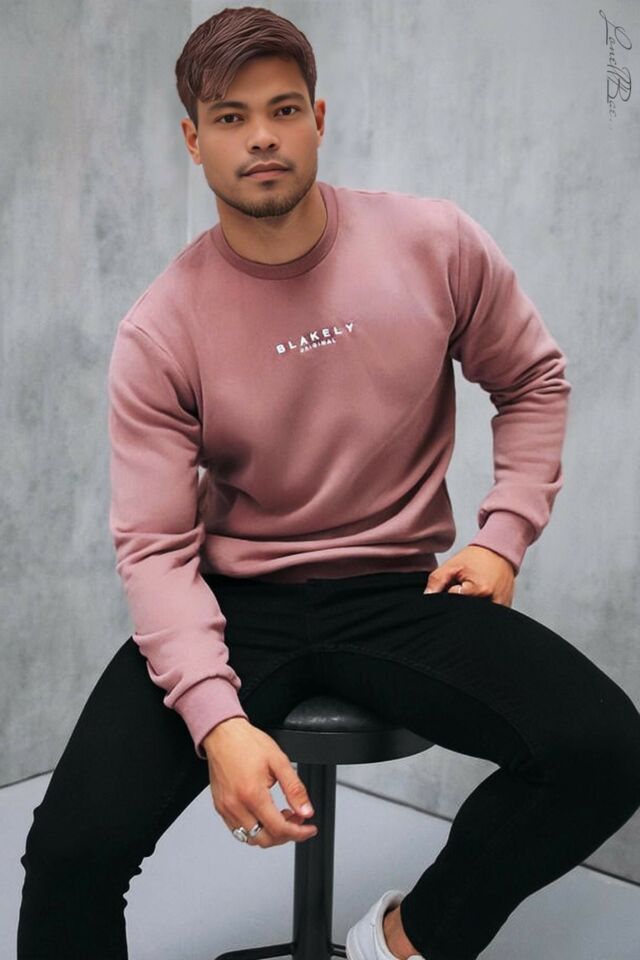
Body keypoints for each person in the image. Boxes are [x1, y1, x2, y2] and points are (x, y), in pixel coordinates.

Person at [17, 6, 640, 960]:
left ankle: (404, 941)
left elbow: (531, 379)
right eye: (230, 117)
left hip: (400, 595)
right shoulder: (161, 327)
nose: (261, 137)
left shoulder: (434, 242)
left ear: (317, 118)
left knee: (604, 749)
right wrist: (217, 722)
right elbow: (153, 549)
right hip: (236, 602)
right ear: (194, 139)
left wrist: (503, 536)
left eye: (282, 109)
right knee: (70, 852)